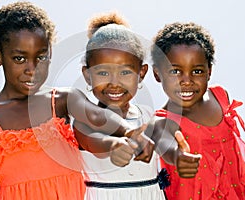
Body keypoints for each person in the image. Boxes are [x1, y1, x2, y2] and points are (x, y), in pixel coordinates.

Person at [0, 2, 147, 200]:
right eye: (19, 59)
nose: (32, 68)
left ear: (50, 53)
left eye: (41, 57)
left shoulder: (62, 100)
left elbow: (97, 115)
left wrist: (128, 131)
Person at [73, 12, 199, 200]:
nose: (114, 83)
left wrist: (177, 157)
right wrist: (115, 146)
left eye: (125, 72)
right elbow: (94, 141)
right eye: (102, 73)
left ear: (141, 73)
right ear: (87, 75)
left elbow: (163, 141)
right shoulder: (85, 119)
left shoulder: (148, 115)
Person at [150, 22, 245, 199]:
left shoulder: (221, 96)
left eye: (197, 71)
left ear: (209, 72)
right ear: (157, 74)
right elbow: (166, 146)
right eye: (175, 71)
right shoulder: (161, 121)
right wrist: (177, 156)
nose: (186, 80)